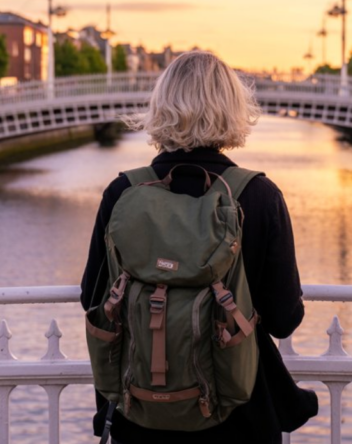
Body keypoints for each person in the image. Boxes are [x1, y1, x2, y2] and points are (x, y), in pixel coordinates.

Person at [80, 51, 317, 444]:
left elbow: (93, 296)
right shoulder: (257, 195)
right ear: (232, 109)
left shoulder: (123, 191)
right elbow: (283, 318)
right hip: (239, 417)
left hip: (139, 412)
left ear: (160, 106)